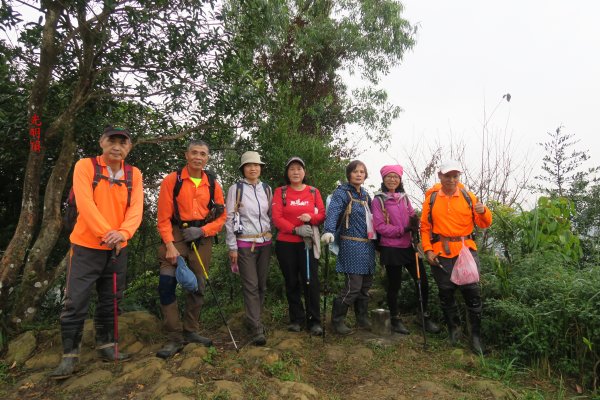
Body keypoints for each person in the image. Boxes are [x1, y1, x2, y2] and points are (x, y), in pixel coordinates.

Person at [50, 126, 144, 379]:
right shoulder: (86, 166)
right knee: (75, 301)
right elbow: (85, 203)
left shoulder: (133, 174)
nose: (117, 146)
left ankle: (107, 346)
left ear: (129, 147)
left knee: (111, 299)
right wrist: (107, 233)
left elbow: (136, 209)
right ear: (102, 142)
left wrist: (123, 234)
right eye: (112, 140)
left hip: (117, 249)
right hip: (85, 247)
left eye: (123, 142)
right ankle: (69, 357)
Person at [155, 139, 226, 358]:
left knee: (198, 285)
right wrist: (169, 245)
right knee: (166, 282)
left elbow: (222, 216)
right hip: (176, 234)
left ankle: (191, 330)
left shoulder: (213, 183)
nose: (198, 157)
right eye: (194, 153)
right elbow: (163, 218)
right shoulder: (172, 180)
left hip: (201, 237)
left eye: (202, 154)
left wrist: (203, 231)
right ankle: (174, 337)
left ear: (207, 158)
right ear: (186, 155)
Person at [420, 160, 492, 354]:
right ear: (440, 176)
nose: (451, 179)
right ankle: (454, 329)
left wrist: (483, 211)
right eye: (447, 175)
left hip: (465, 249)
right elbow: (425, 228)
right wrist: (427, 250)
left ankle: (475, 337)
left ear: (459, 177)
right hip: (440, 252)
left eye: (455, 176)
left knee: (472, 293)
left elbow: (484, 224)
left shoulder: (468, 196)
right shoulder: (432, 198)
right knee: (446, 292)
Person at [372, 165, 440, 335]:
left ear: (400, 179)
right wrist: (402, 230)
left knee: (422, 281)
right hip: (391, 248)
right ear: (383, 179)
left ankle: (423, 315)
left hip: (409, 246)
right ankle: (395, 319)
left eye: (396, 176)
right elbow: (379, 226)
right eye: (389, 176)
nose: (392, 179)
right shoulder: (378, 200)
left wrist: (415, 223)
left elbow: (411, 215)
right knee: (394, 285)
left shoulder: (404, 198)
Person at [272, 156, 326, 336]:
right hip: (286, 243)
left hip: (308, 243)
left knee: (311, 281)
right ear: (287, 173)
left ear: (304, 172)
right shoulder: (281, 192)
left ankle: (314, 320)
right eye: (292, 169)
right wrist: (295, 230)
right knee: (292, 281)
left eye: (299, 169)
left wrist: (311, 218)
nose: (296, 172)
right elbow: (277, 218)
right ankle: (296, 319)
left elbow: (322, 214)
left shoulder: (313, 192)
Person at [321, 160, 375, 335]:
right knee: (354, 286)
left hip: (368, 246)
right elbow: (334, 211)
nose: (359, 174)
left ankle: (362, 318)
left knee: (365, 285)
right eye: (355, 171)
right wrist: (328, 230)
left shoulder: (366, 196)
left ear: (365, 175)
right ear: (349, 174)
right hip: (351, 244)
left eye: (362, 171)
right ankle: (337, 321)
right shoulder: (342, 193)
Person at [225, 151, 273, 346]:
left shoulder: (267, 189)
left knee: (261, 285)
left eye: (257, 165)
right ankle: (256, 328)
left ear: (260, 168)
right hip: (245, 244)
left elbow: (271, 215)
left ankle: (253, 319)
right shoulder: (235, 189)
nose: (253, 168)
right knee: (251, 285)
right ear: (243, 168)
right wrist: (232, 246)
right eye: (249, 165)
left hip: (265, 243)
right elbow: (229, 219)